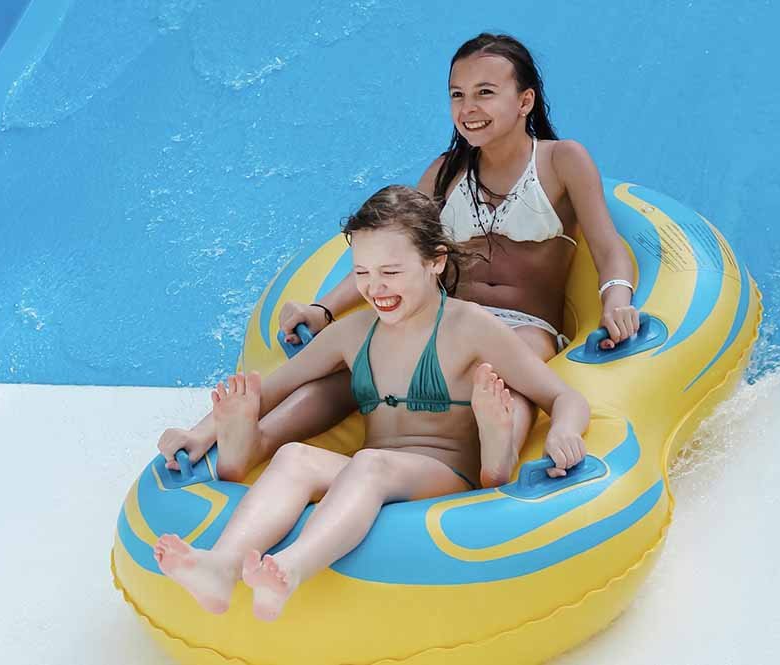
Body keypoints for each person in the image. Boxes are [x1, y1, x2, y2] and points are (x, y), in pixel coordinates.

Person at [158, 32, 636, 482]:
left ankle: (500, 456)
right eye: (457, 95)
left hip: (522, 325)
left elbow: (608, 248)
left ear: (524, 100)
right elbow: (398, 251)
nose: (468, 108)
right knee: (352, 373)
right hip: (442, 320)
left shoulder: (561, 161)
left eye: (485, 93)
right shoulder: (445, 172)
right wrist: (323, 308)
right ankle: (246, 440)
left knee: (502, 380)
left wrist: (616, 301)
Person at [153, 185, 590, 621]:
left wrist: (564, 431)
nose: (374, 287)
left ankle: (291, 568)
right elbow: (273, 388)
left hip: (445, 475)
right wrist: (199, 433)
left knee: (370, 464)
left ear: (435, 261)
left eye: (390, 272)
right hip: (376, 469)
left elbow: (561, 395)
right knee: (293, 458)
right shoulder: (355, 332)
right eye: (362, 272)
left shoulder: (470, 327)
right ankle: (223, 566)